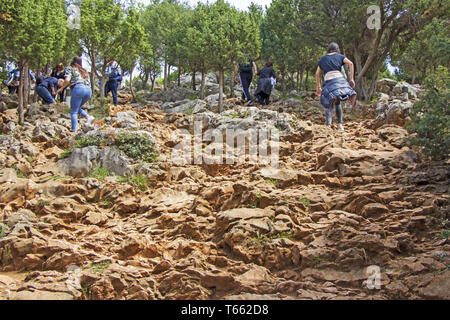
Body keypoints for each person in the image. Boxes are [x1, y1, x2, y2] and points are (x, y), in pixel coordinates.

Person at [316, 42, 357, 131]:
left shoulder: (323, 59)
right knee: (338, 102)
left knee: (328, 103)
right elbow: (351, 64)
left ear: (328, 50)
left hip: (329, 81)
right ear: (337, 50)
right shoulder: (340, 56)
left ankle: (328, 125)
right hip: (339, 81)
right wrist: (352, 79)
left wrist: (318, 87)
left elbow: (317, 74)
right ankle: (340, 125)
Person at [56, 56, 94, 132]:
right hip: (89, 90)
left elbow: (67, 80)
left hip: (79, 89)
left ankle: (73, 130)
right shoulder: (84, 70)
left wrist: (62, 88)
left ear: (73, 62)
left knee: (73, 111)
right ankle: (88, 117)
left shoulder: (70, 68)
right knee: (76, 107)